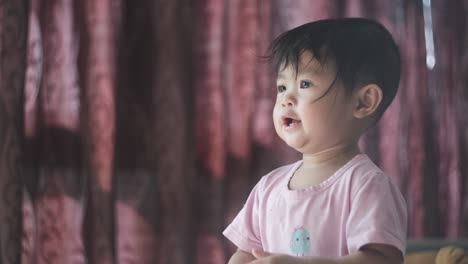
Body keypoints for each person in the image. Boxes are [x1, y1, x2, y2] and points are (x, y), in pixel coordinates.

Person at [223, 18, 407, 264]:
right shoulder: (268, 187)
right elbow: (244, 253)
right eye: (281, 87)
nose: (286, 98)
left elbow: (381, 260)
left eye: (305, 84)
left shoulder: (366, 185)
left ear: (363, 102)